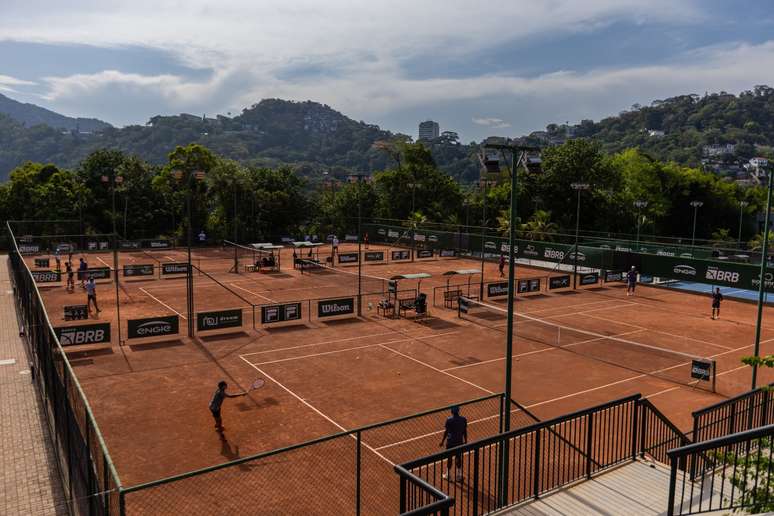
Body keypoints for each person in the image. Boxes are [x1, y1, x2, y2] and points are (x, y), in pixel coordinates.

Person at [439, 406, 468, 481]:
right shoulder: (463, 419)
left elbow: (446, 431)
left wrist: (442, 441)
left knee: (449, 458)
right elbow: (464, 431)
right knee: (458, 457)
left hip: (450, 442)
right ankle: (459, 475)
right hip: (459, 441)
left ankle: (448, 475)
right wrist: (466, 441)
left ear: (451, 412)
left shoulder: (449, 420)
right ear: (458, 411)